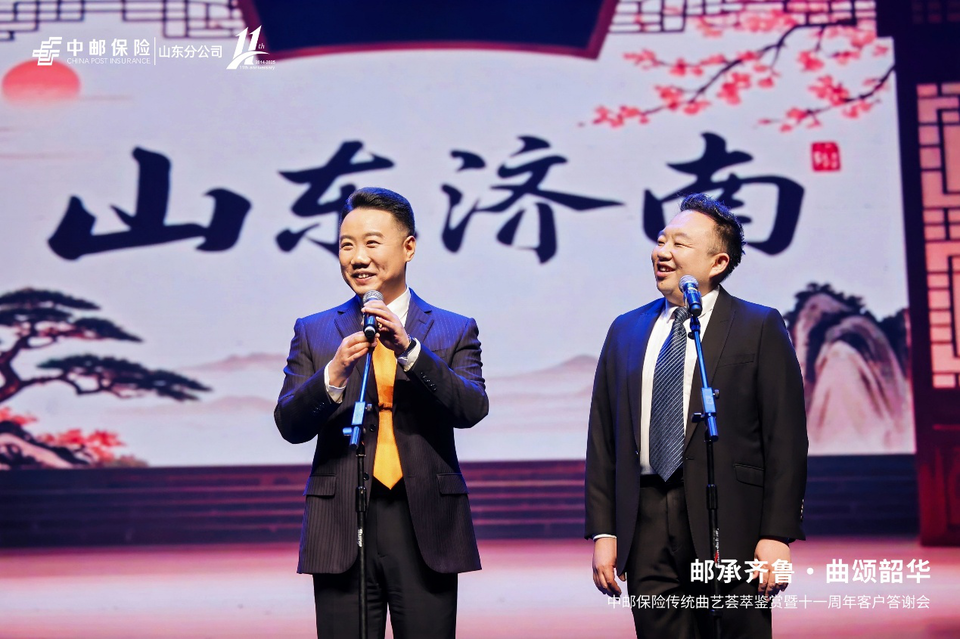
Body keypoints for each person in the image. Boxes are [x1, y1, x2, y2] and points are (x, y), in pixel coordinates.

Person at [585, 193, 807, 638]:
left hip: (732, 518)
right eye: (661, 240)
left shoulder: (758, 326)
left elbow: (785, 438)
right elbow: (604, 438)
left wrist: (777, 534)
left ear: (718, 262)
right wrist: (604, 531)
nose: (662, 252)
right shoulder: (625, 330)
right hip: (646, 518)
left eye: (680, 244)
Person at [275, 187, 488, 639]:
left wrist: (411, 351)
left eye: (372, 243)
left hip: (424, 518)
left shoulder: (453, 328)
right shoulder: (315, 331)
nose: (357, 258)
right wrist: (332, 374)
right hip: (341, 520)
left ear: (408, 247)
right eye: (346, 245)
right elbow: (290, 424)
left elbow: (471, 408)